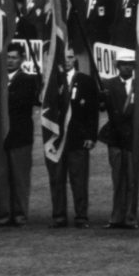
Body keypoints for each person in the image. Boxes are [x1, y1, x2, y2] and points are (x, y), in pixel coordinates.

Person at [45, 47, 99, 228]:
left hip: (78, 138)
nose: (66, 61)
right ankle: (59, 216)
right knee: (57, 179)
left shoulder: (86, 81)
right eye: (63, 57)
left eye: (69, 57)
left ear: (74, 58)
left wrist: (91, 135)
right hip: (57, 140)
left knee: (79, 180)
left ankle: (81, 216)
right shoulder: (52, 83)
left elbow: (93, 112)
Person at [0, 42, 40, 227]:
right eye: (8, 57)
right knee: (1, 178)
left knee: (20, 179)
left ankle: (20, 215)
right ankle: (4, 215)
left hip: (20, 135)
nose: (10, 61)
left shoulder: (29, 80)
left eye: (14, 57)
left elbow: (24, 101)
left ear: (22, 59)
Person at [99, 52, 139, 229]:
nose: (127, 67)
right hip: (115, 137)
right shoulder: (108, 84)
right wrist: (102, 96)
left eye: (131, 64)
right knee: (118, 179)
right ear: (117, 66)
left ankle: (130, 217)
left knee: (132, 179)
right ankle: (116, 217)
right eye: (124, 64)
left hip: (133, 137)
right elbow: (101, 106)